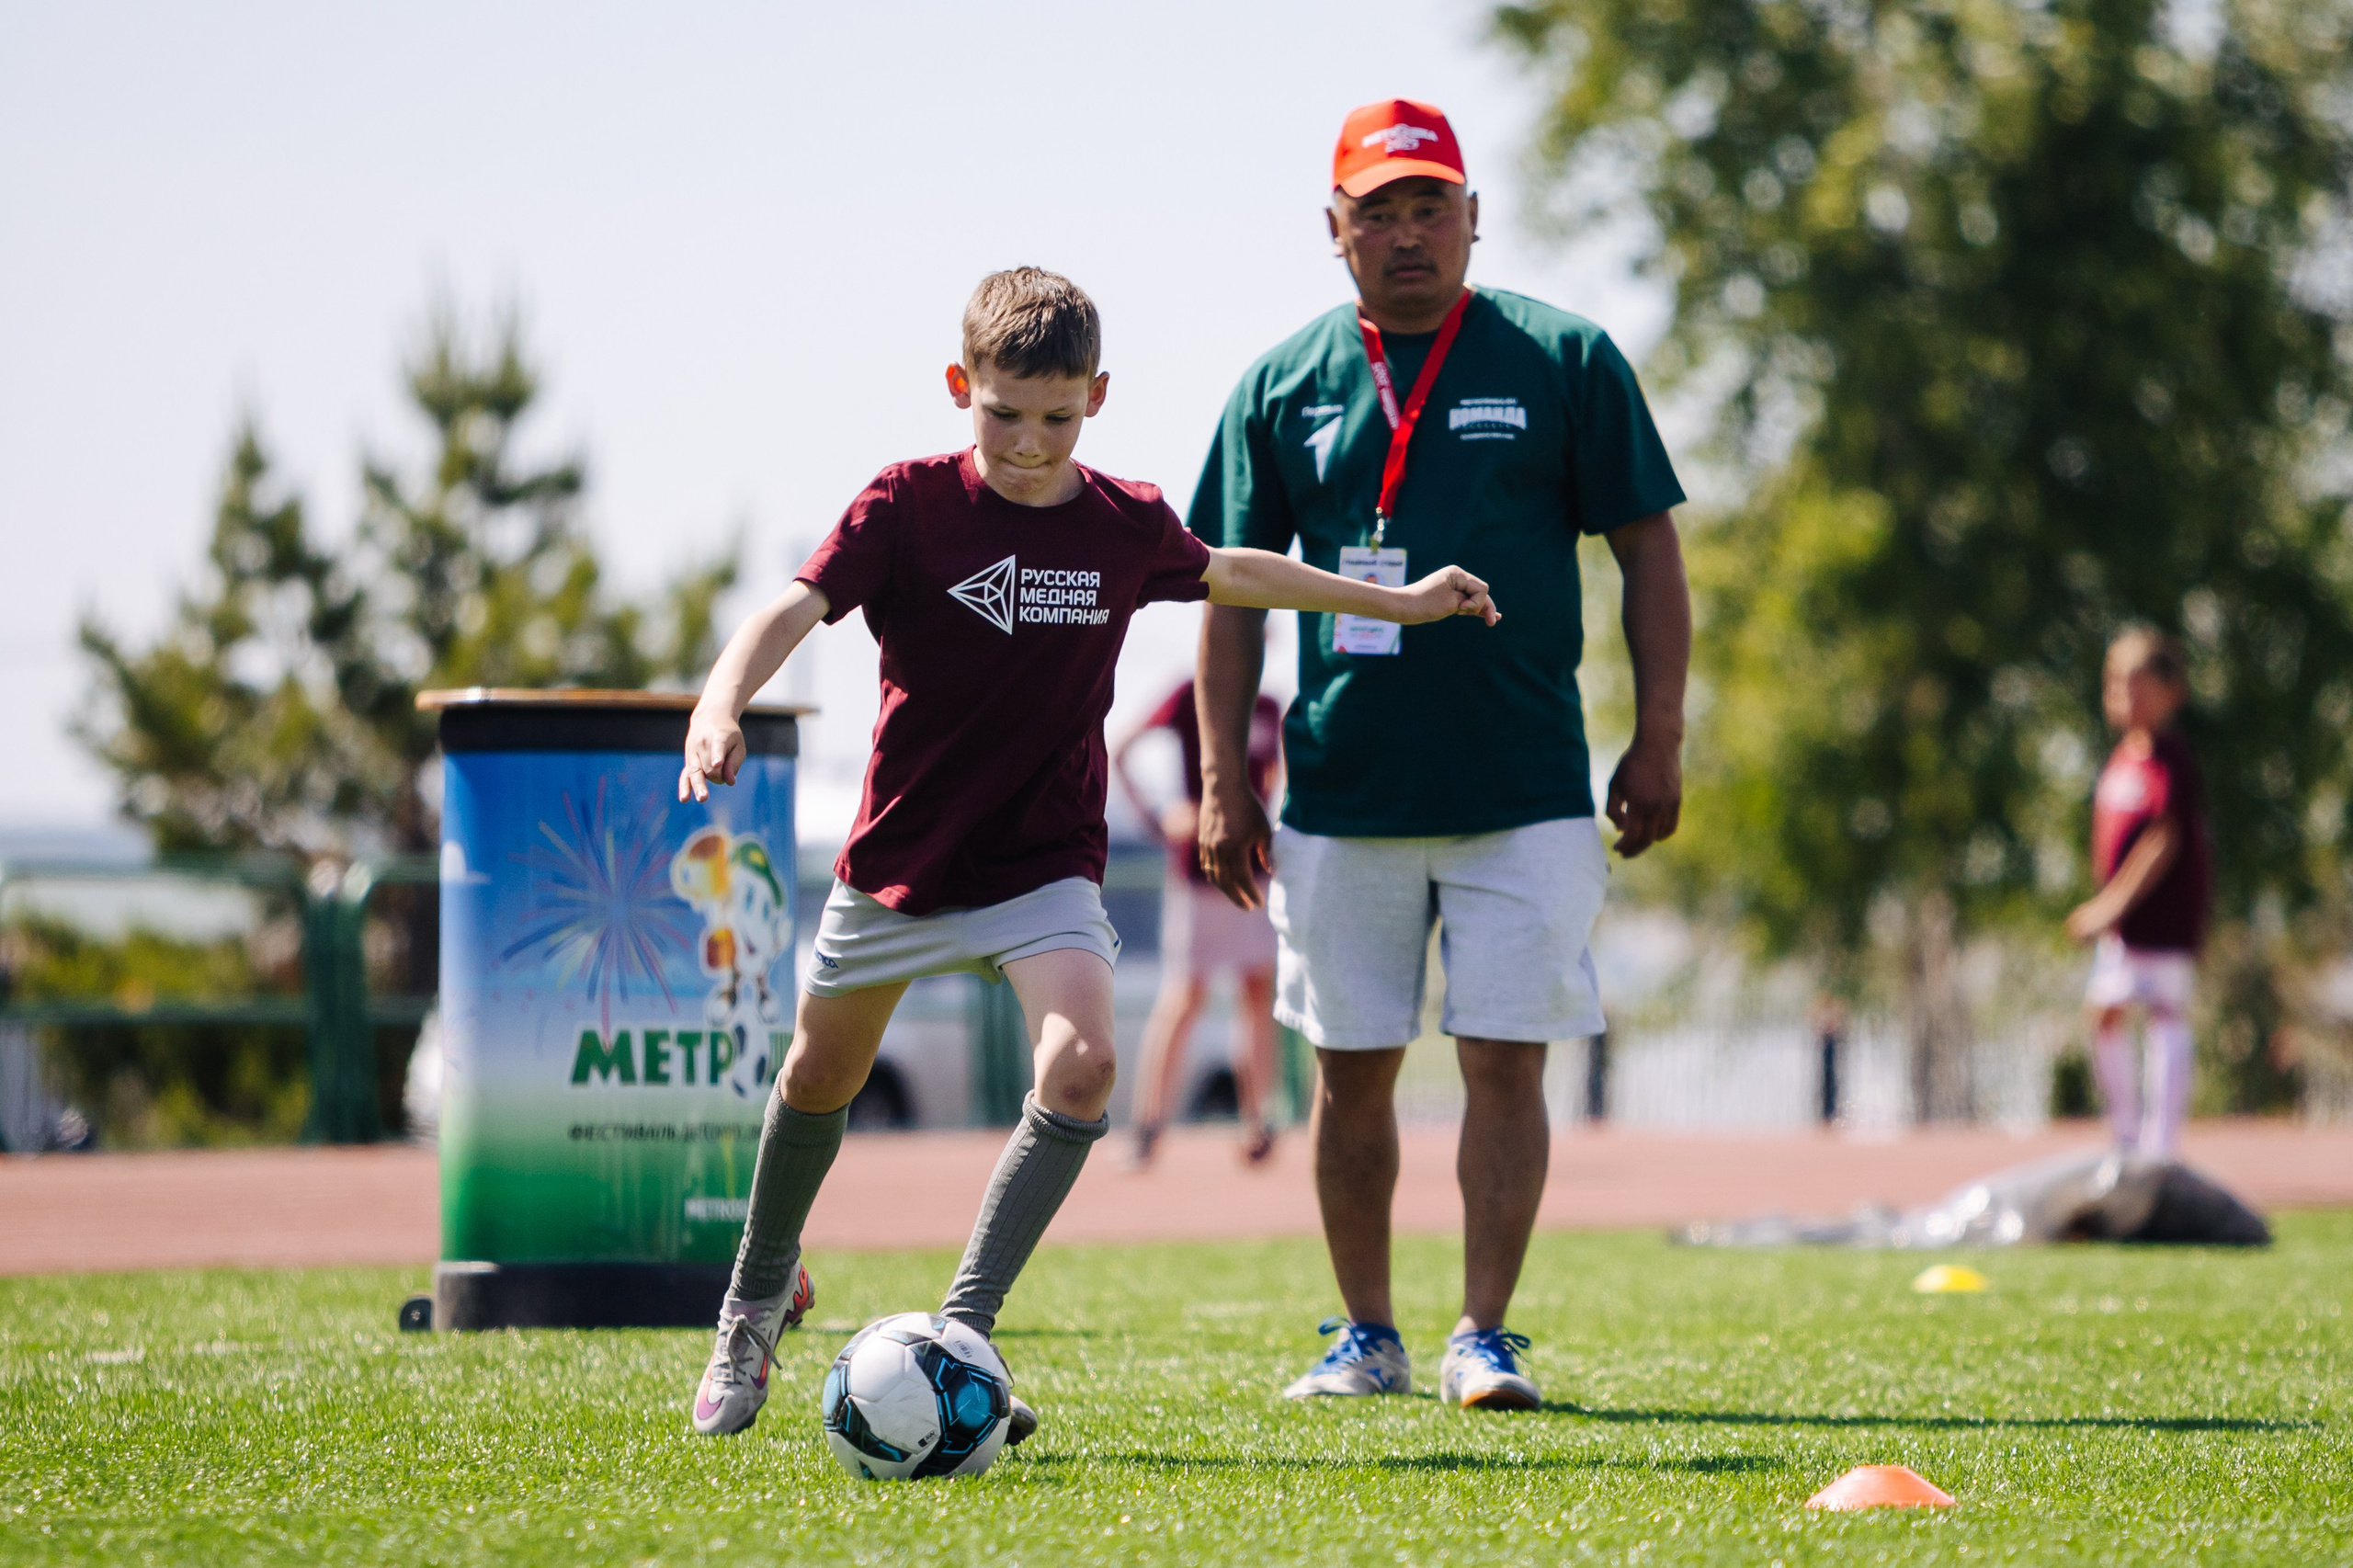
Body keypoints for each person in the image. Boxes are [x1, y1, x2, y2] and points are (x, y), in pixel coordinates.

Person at [676, 266, 1501, 1441]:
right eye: (1002, 413)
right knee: (818, 1080)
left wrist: (1403, 603)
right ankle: (754, 1300)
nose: (1027, 442)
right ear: (960, 387)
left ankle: (966, 1335)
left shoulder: (1119, 521)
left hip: (1043, 867)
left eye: (1056, 417)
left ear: (1096, 398)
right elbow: (790, 609)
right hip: (902, 860)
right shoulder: (905, 505)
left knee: (1083, 1068)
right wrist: (720, 706)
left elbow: (1235, 568)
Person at [1188, 100, 1691, 1411]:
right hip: (1342, 793)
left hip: (1525, 785)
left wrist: (1660, 733)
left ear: (1474, 216)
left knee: (1504, 1057)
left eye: (1431, 206)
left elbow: (1649, 547)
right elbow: (1226, 594)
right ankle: (1366, 1333)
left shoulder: (1565, 357)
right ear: (1335, 230)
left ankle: (1485, 1333)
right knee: (1351, 1068)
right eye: (1379, 210)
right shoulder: (1278, 384)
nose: (1407, 232)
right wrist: (1221, 778)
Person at [1111, 676, 1286, 1167]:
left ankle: (1259, 1124)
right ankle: (1148, 1130)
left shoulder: (1271, 704)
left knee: (1257, 993)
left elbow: (1281, 775)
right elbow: (1121, 747)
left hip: (1255, 876)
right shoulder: (1190, 693)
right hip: (1199, 873)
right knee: (1186, 996)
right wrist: (1159, 815)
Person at [2065, 628, 2211, 1159]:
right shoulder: (2120, 760)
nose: (2125, 699)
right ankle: (2125, 1135)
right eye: (2117, 686)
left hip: (2163, 918)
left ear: (2170, 692)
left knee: (2164, 1013)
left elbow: (2163, 839)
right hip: (2124, 929)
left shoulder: (2169, 759)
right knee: (2104, 1013)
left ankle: (2161, 1145)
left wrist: (2111, 905)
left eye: (2138, 686)